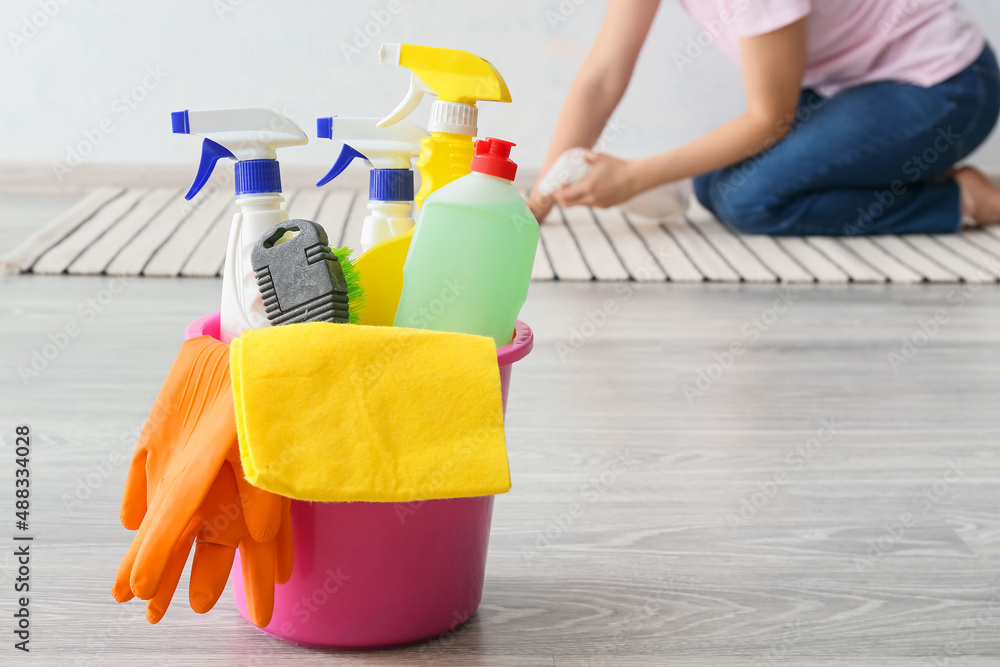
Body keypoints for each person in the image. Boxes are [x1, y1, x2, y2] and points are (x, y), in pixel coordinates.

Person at [528, 0, 1000, 235]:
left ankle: (964, 200)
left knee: (747, 199)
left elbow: (768, 119)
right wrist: (541, 197)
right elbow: (603, 75)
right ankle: (893, 162)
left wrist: (633, 177)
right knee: (710, 183)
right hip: (856, 88)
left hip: (946, 86)